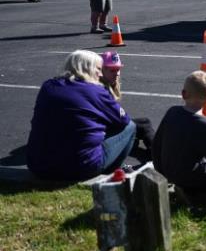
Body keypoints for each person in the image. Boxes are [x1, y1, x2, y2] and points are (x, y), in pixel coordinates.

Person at [26, 50, 135, 181]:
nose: (100, 74)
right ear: (88, 69)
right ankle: (113, 169)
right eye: (99, 69)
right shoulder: (96, 91)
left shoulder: (48, 86)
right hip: (80, 168)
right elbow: (123, 120)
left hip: (38, 166)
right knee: (130, 127)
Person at [100, 51, 154, 155]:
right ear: (102, 70)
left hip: (108, 126)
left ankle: (156, 151)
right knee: (144, 124)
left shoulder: (108, 84)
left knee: (141, 125)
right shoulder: (101, 89)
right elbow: (120, 119)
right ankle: (159, 155)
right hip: (104, 132)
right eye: (112, 70)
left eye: (118, 69)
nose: (117, 73)